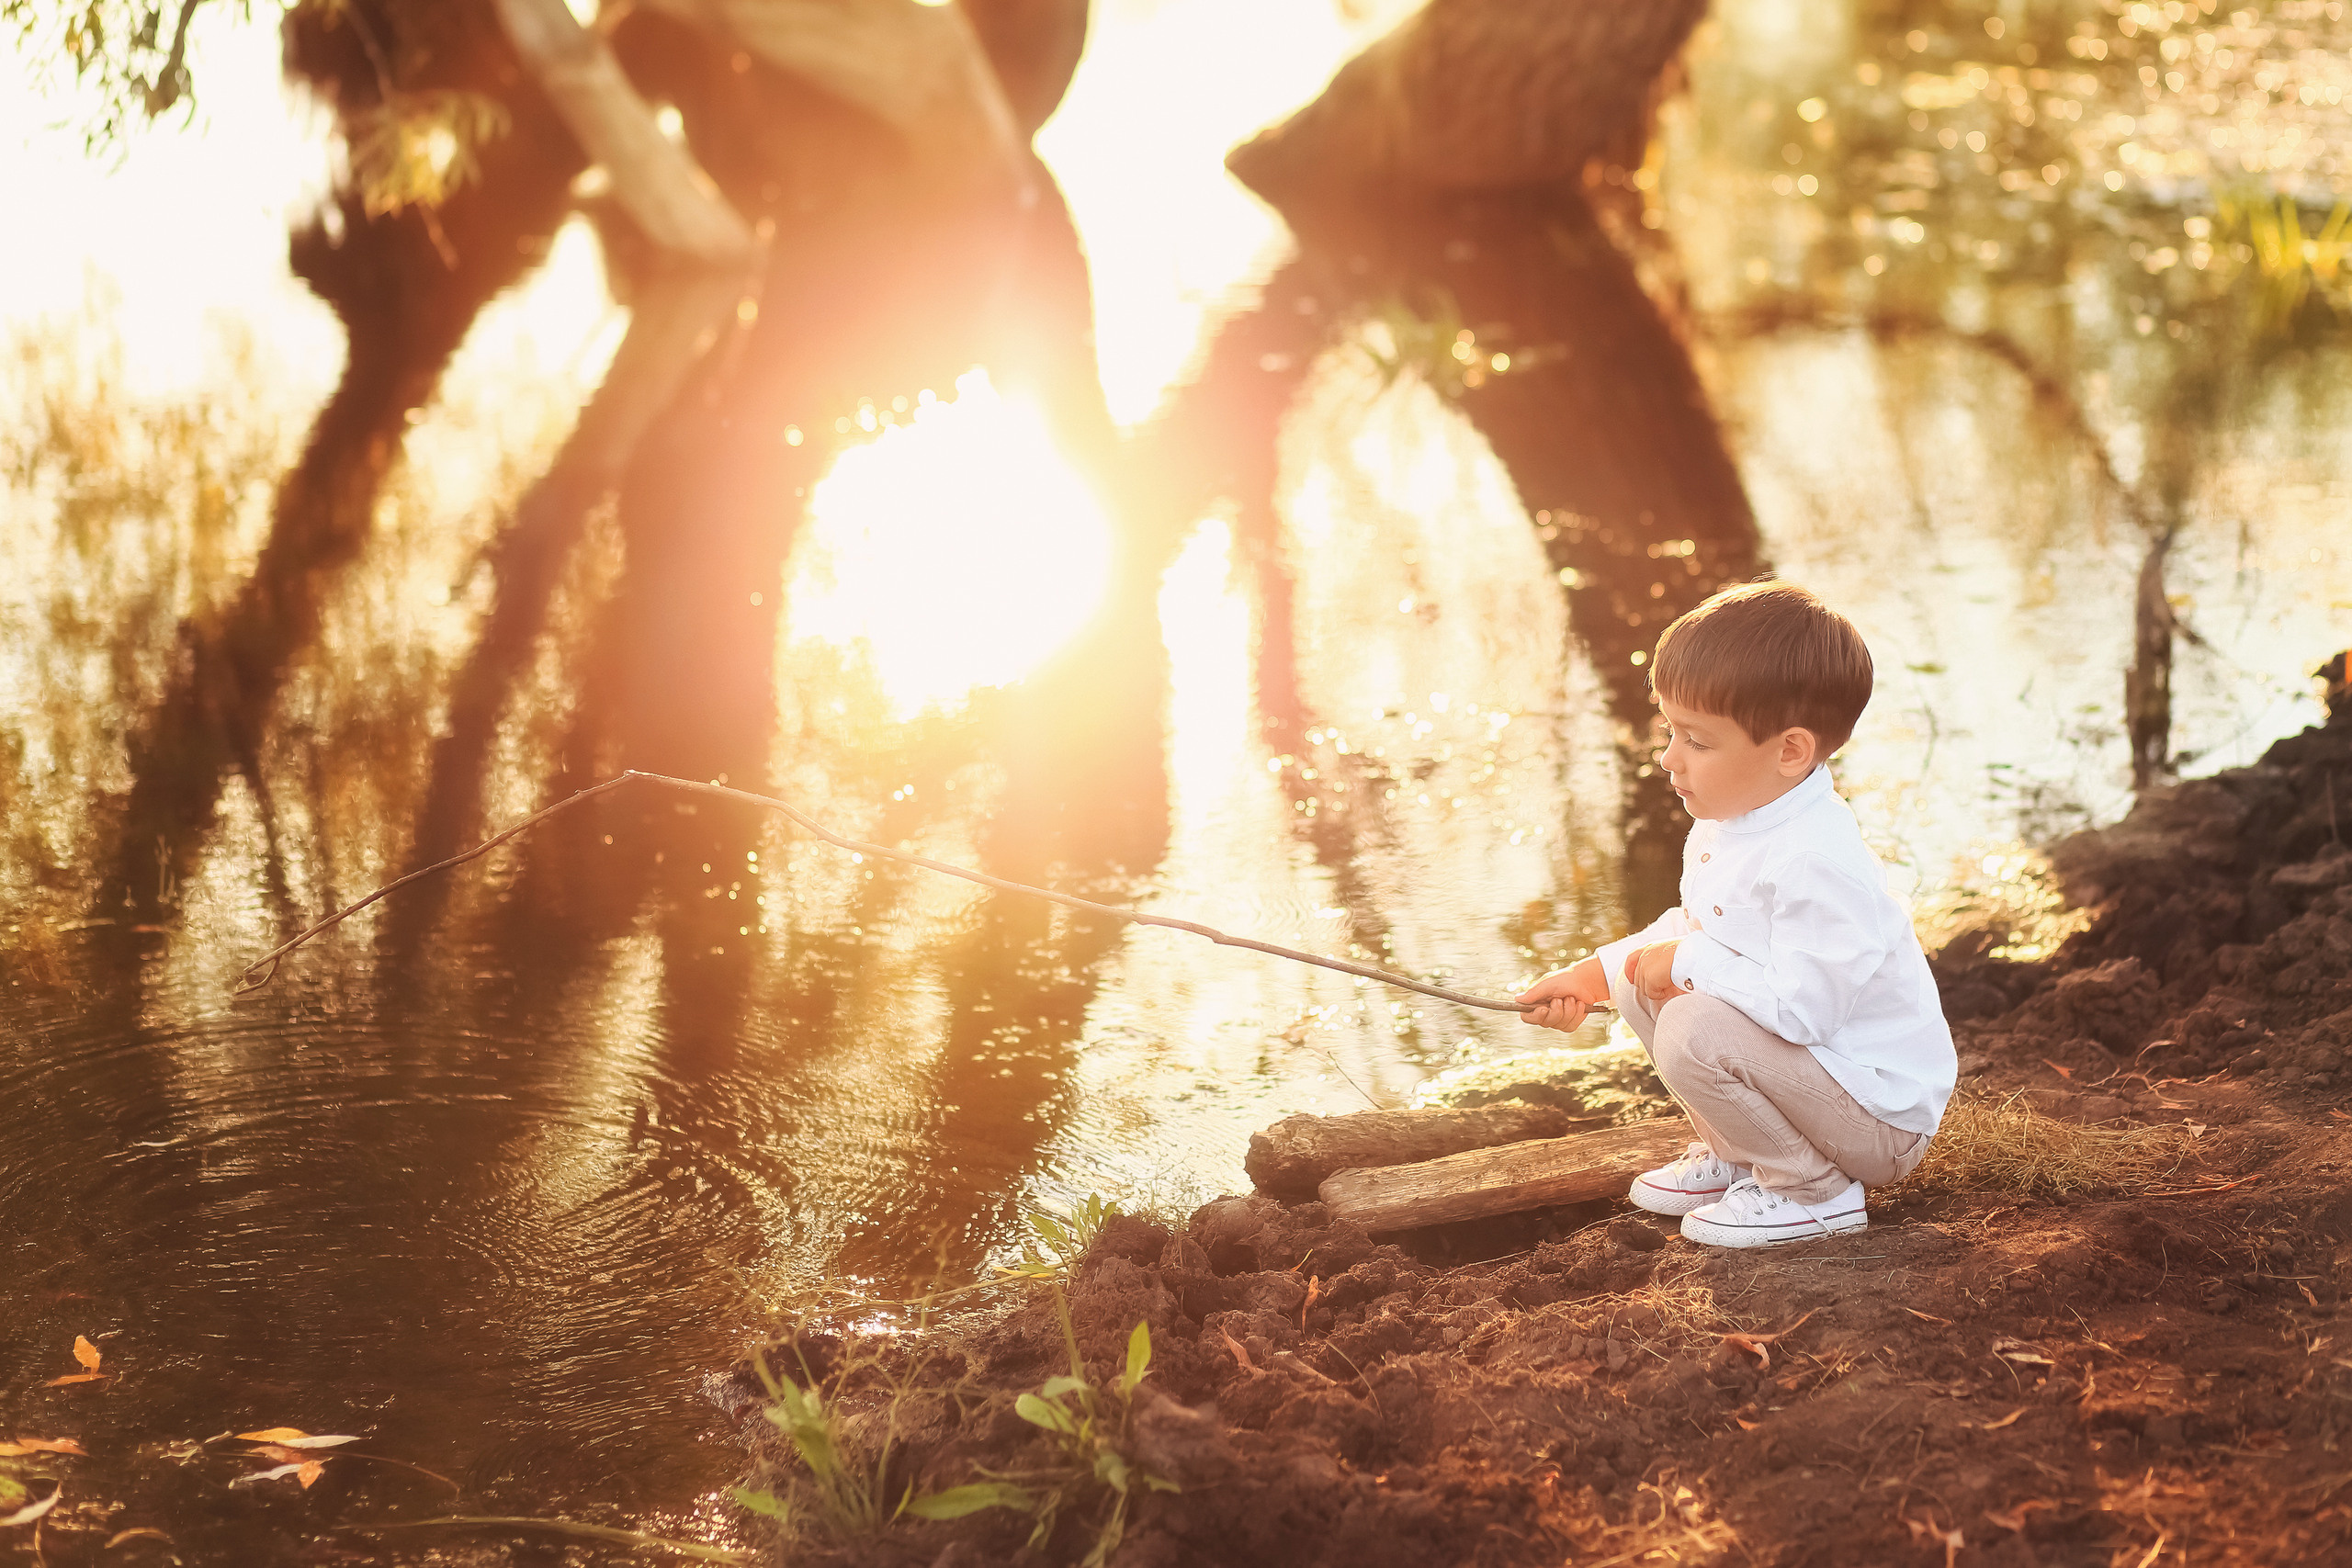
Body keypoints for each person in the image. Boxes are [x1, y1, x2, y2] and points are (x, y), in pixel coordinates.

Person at [1515, 581, 1955, 1247]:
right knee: (1640, 979)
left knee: (1691, 1021)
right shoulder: (1738, 820)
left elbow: (1805, 1012)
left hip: (1879, 1119)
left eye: (1697, 740)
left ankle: (1812, 1190)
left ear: (1790, 752)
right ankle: (1744, 1154)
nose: (1668, 757)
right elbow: (1699, 930)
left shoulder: (1816, 860)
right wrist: (1593, 975)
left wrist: (1685, 962)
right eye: (1671, 731)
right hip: (1820, 1083)